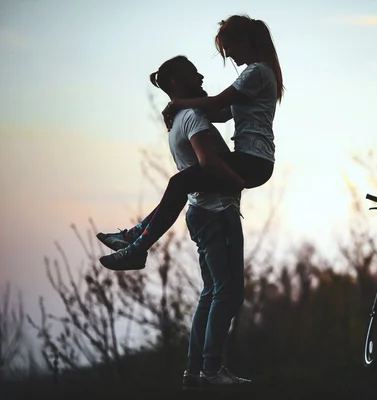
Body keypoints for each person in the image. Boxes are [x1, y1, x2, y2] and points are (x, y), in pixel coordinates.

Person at [98, 55, 250, 386]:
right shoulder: (192, 117)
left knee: (211, 292)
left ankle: (194, 372)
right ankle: (211, 370)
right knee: (229, 293)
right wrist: (238, 179)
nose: (200, 75)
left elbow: (224, 111)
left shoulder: (181, 118)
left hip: (200, 214)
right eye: (192, 73)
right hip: (217, 213)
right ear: (177, 83)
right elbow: (208, 162)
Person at [98, 14, 284, 271]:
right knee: (183, 183)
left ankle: (137, 246)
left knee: (180, 182)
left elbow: (217, 102)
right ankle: (135, 239)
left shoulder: (257, 72)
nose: (228, 55)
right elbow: (220, 113)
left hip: (254, 161)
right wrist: (182, 111)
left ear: (244, 41)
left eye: (228, 47)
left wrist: (178, 104)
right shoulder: (257, 75)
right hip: (251, 159)